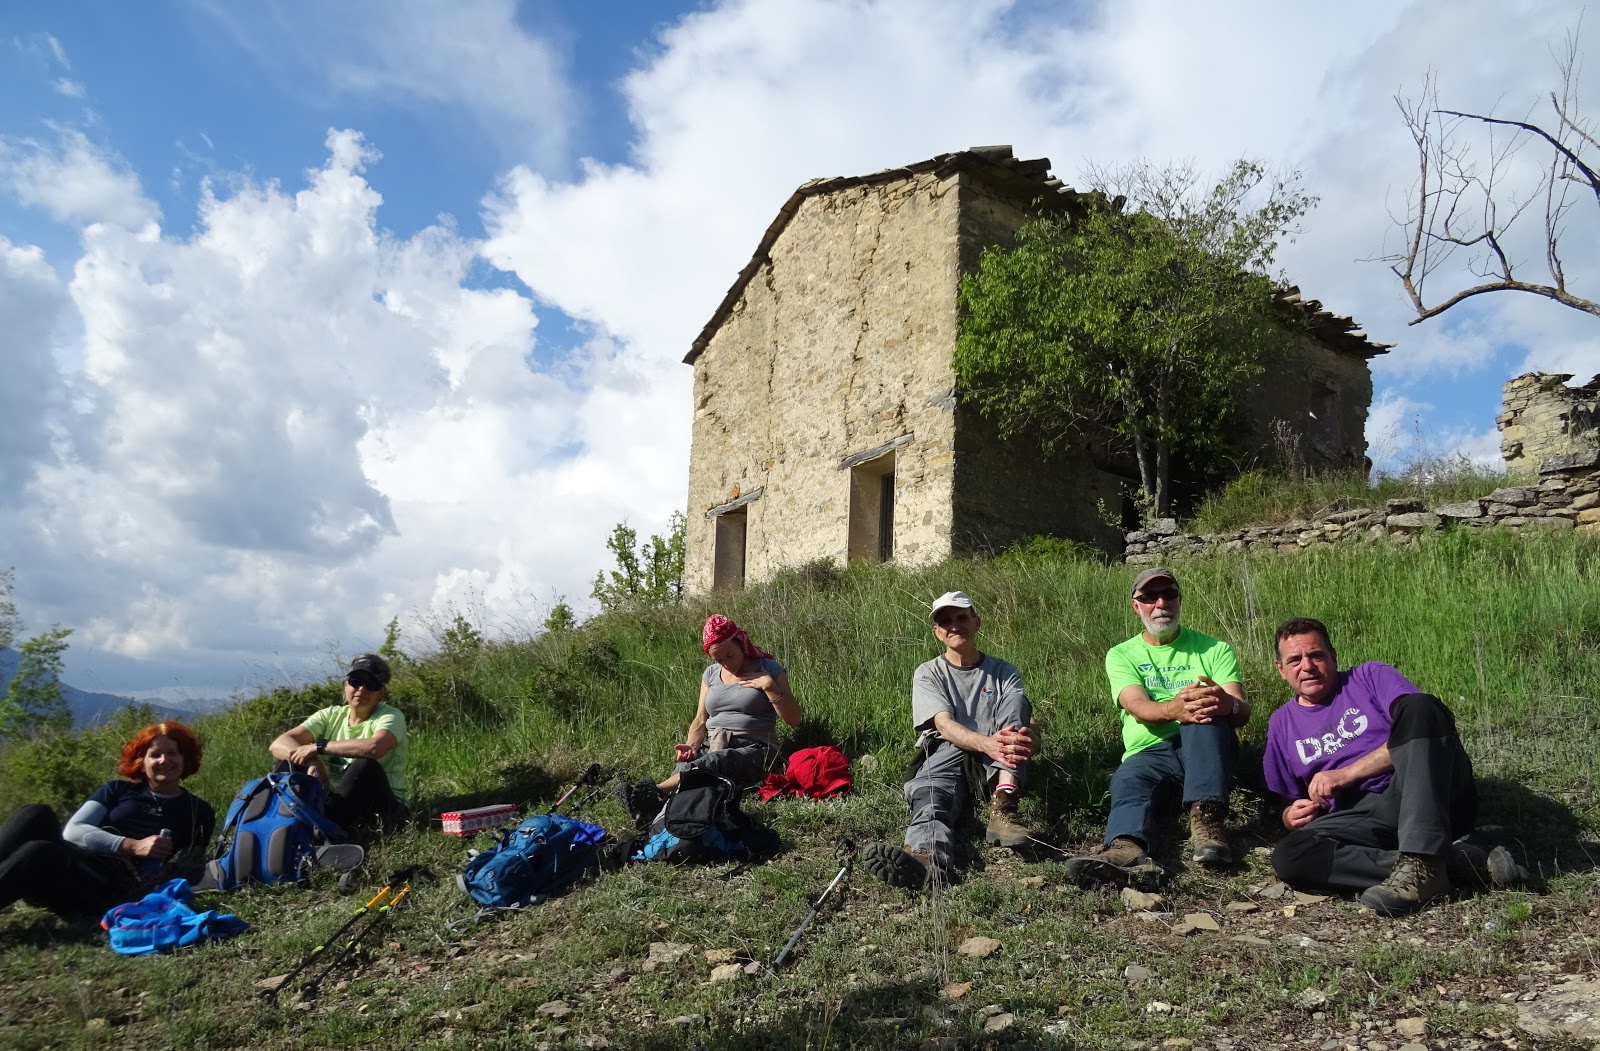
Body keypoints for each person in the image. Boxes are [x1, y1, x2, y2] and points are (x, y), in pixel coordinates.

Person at [1264, 617, 1525, 916]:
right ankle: (1457, 863)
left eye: (1316, 655)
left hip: (1419, 791)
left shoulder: (1369, 677)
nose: (1307, 666)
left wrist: (1346, 774)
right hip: (1361, 818)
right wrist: (1289, 815)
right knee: (1291, 854)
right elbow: (1285, 799)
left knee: (1421, 705)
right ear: (1281, 670)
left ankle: (1422, 860)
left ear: (1333, 656)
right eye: (1295, 659)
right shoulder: (1281, 723)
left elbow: (1422, 725)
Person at [1065, 567, 1249, 889]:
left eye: (1168, 594)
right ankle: (1127, 847)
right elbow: (1136, 705)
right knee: (1129, 779)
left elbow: (1240, 709)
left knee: (1201, 711)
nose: (1160, 603)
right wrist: (1173, 709)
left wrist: (1226, 705)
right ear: (1136, 606)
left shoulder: (1214, 649)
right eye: (1149, 597)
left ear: (1180, 600)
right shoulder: (1122, 654)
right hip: (1149, 752)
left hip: (1206, 748)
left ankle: (1207, 821)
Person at [862, 591, 1037, 889]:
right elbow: (943, 725)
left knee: (1018, 703)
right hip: (950, 750)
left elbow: (1022, 722)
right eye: (945, 621)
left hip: (997, 758)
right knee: (931, 797)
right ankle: (925, 859)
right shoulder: (928, 673)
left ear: (976, 623)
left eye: (961, 618)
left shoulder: (1004, 672)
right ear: (937, 632)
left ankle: (1004, 806)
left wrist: (1030, 742)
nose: (954, 625)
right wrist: (988, 743)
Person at [0, 721, 216, 918]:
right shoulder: (116, 790)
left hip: (111, 887)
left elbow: (192, 868)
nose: (164, 761)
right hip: (78, 862)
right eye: (155, 754)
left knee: (39, 851)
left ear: (185, 759)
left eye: (172, 753)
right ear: (141, 762)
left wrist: (169, 870)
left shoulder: (198, 810)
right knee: (35, 813)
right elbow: (72, 831)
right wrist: (131, 845)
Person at [616, 614, 801, 828]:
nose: (726, 663)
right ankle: (654, 815)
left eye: (729, 655)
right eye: (718, 659)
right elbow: (700, 719)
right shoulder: (711, 674)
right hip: (713, 743)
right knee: (687, 766)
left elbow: (794, 719)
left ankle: (656, 792)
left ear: (740, 642)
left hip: (756, 749)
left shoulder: (769, 669)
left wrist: (770, 687)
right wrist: (691, 746)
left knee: (714, 762)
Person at [269, 653, 408, 830]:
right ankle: (288, 821)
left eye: (371, 685)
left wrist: (319, 748)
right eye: (355, 681)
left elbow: (376, 747)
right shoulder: (330, 715)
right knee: (290, 760)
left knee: (365, 766)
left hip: (382, 805)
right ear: (345, 685)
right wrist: (312, 760)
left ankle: (326, 825)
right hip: (331, 797)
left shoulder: (391, 716)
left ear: (381, 692)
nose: (361, 689)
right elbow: (279, 743)